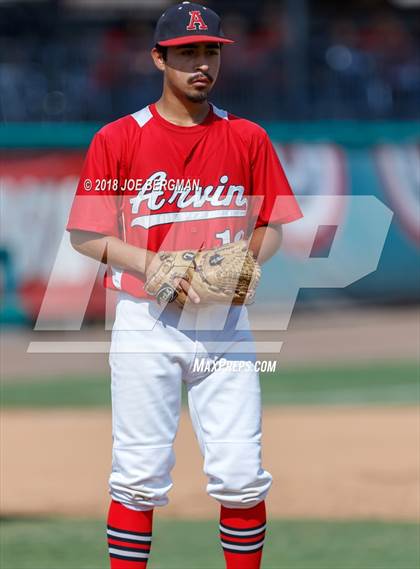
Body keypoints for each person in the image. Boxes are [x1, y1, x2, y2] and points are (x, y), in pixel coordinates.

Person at [67, 2, 302, 568]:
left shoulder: (246, 137)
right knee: (139, 476)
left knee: (242, 477)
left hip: (224, 325)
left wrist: (246, 259)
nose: (202, 64)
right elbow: (84, 234)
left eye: (210, 52)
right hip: (146, 322)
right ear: (159, 58)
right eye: (187, 53)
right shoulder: (119, 139)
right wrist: (151, 265)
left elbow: (271, 224)